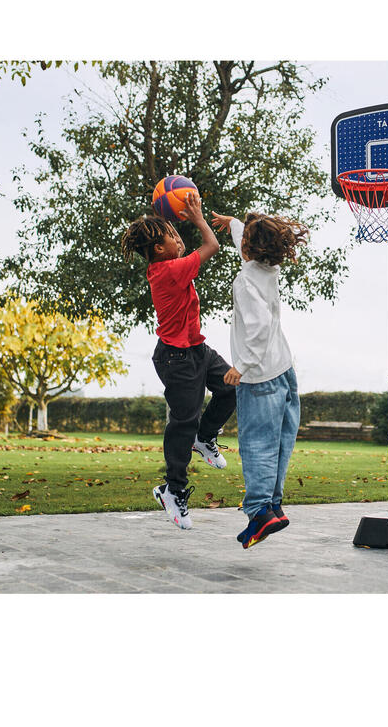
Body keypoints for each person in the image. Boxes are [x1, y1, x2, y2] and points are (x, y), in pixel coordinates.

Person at [121, 192, 236, 530]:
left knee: (231, 388)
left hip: (197, 349)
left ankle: (206, 436)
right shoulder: (167, 271)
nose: (179, 238)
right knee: (183, 422)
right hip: (176, 358)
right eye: (173, 235)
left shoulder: (172, 266)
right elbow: (211, 246)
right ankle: (173, 490)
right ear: (159, 249)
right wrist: (200, 219)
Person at [211, 209, 309, 549]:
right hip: (285, 372)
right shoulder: (269, 268)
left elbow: (258, 326)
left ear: (249, 251)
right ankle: (273, 506)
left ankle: (258, 511)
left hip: (261, 377)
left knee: (257, 446)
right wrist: (234, 224)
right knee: (280, 443)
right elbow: (248, 243)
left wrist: (243, 366)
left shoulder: (246, 280)